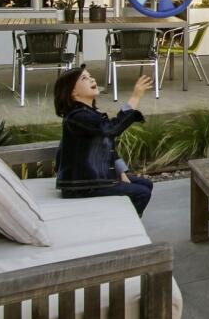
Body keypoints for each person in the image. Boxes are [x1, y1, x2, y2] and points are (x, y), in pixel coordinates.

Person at [53, 65, 154, 216]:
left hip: (95, 179)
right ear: (73, 92)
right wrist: (135, 97)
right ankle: (122, 225)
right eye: (84, 78)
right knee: (141, 193)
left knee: (146, 184)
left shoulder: (87, 113)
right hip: (82, 186)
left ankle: (122, 219)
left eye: (90, 75)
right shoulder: (77, 117)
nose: (92, 79)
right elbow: (112, 129)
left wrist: (121, 173)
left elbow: (107, 143)